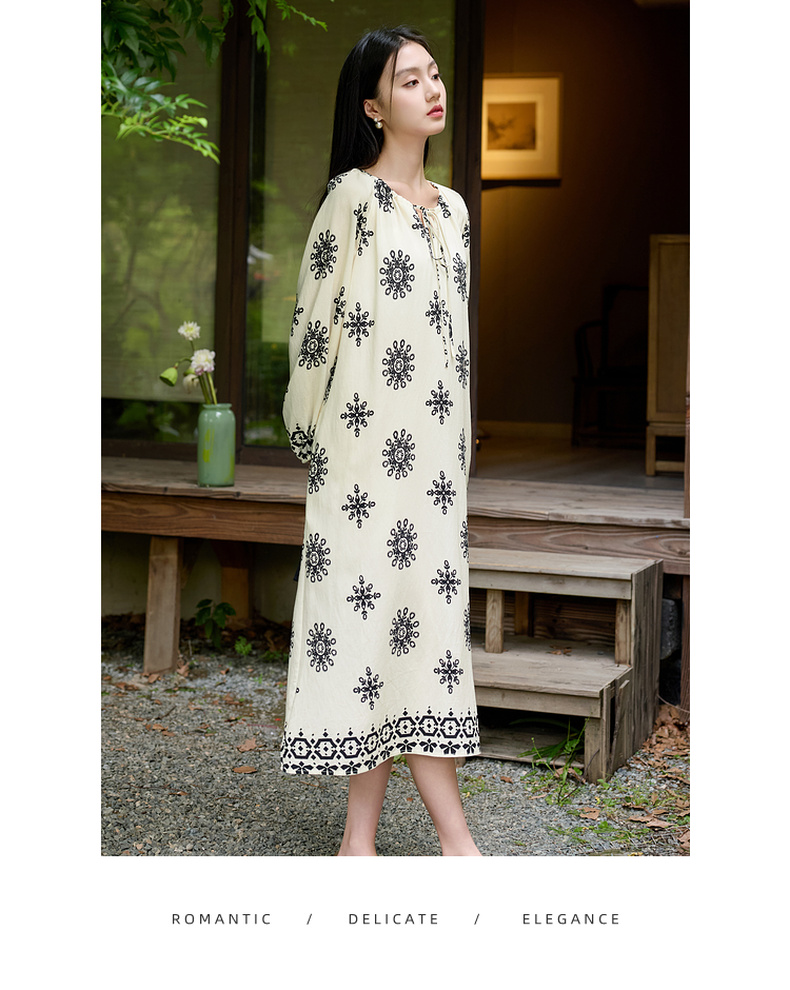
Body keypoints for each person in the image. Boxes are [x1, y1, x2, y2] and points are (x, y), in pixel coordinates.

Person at [281, 26, 481, 857]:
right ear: (372, 106)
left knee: (421, 635)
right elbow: (312, 328)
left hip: (433, 469)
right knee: (370, 635)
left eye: (434, 74)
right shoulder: (352, 200)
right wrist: (309, 437)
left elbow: (455, 348)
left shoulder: (456, 212)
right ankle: (457, 844)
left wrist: (459, 451)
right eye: (409, 80)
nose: (432, 89)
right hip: (360, 462)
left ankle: (356, 843)